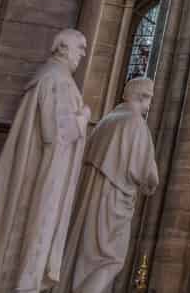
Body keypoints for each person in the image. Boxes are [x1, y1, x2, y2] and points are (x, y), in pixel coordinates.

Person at [0, 29, 90, 293]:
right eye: (80, 47)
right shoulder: (58, 80)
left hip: (38, 168)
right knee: (31, 228)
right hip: (44, 173)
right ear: (62, 47)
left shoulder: (50, 78)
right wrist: (84, 118)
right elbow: (57, 133)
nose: (83, 54)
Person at [62, 77, 159, 293]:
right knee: (110, 259)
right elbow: (149, 174)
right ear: (141, 96)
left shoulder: (107, 120)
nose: (151, 102)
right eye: (150, 97)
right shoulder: (135, 123)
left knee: (85, 257)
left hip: (89, 198)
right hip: (113, 202)